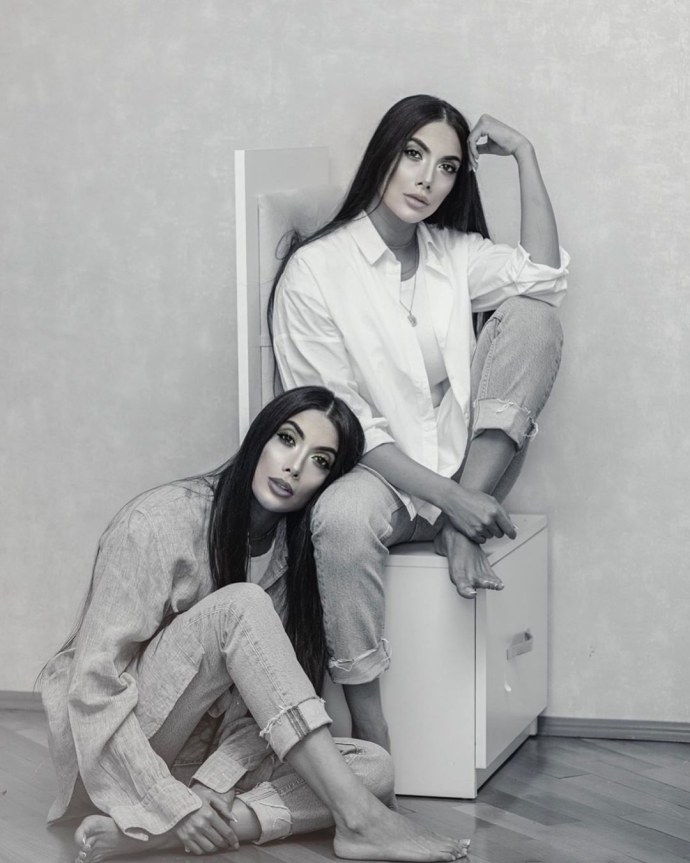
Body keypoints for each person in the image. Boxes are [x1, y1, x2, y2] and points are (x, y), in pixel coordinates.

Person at [40, 386, 469, 862]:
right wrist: (169, 801)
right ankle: (358, 820)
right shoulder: (157, 522)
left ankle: (162, 834)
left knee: (373, 768)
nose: (294, 466)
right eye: (287, 439)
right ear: (259, 439)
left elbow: (265, 707)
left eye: (320, 461)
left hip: (199, 763)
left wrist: (212, 782)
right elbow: (92, 687)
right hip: (119, 758)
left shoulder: (294, 556)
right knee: (239, 606)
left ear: (327, 484)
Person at [270, 94, 569, 751]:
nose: (427, 179)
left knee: (534, 317)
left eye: (447, 167)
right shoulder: (316, 272)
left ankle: (459, 526)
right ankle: (369, 724)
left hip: (469, 469)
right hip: (379, 475)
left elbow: (543, 280)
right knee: (340, 517)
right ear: (385, 153)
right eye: (413, 155)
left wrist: (525, 154)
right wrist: (451, 501)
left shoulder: (452, 254)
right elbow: (342, 421)